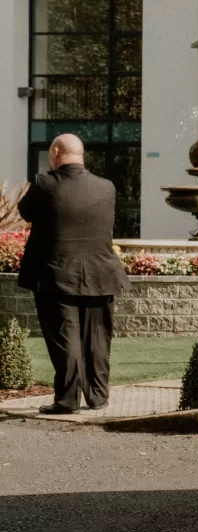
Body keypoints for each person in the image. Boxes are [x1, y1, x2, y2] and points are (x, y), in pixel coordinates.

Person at [14, 134, 127, 414]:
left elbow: (25, 212)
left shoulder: (44, 183)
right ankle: (98, 396)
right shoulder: (106, 187)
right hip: (101, 274)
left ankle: (67, 400)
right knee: (98, 338)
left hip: (57, 274)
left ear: (55, 153)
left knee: (65, 338)